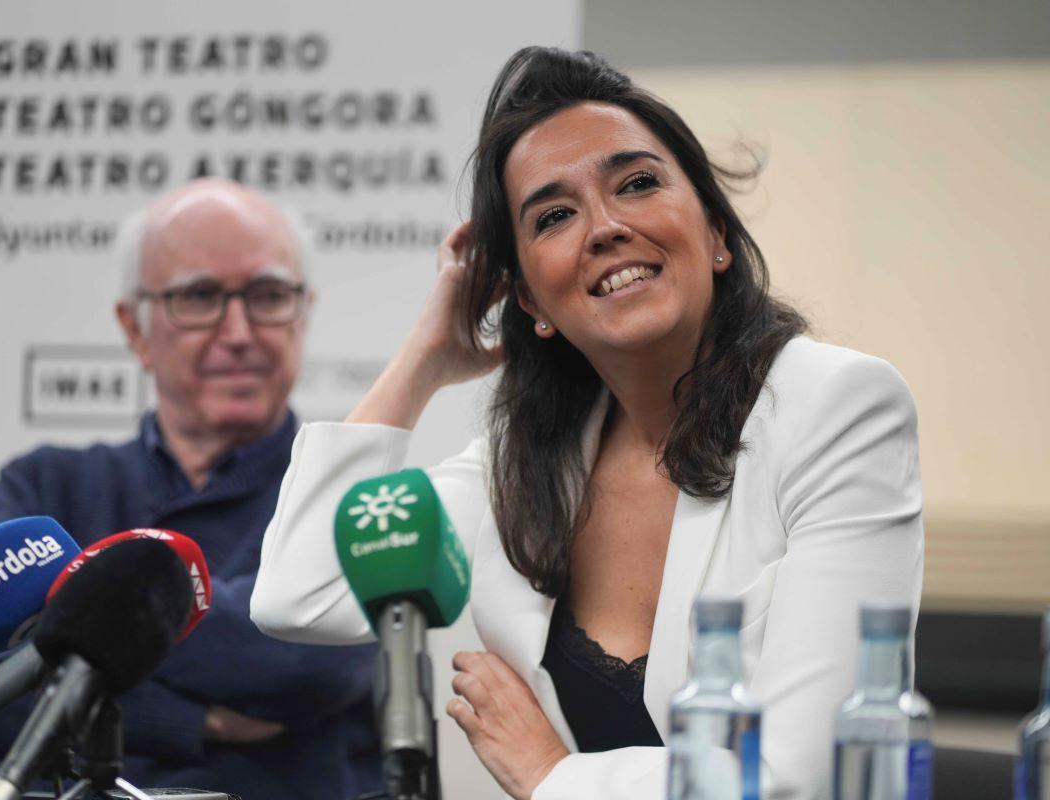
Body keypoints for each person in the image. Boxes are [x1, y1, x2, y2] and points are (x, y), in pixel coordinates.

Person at [250, 48, 923, 800]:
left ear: (717, 235)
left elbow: (807, 774)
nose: (604, 227)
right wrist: (425, 359)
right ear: (530, 303)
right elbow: (300, 593)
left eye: (637, 184)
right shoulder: (526, 461)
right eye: (555, 216)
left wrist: (553, 775)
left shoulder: (838, 406)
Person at [0, 179, 382, 800]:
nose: (239, 331)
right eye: (200, 296)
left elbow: (300, 666)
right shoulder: (44, 485)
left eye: (268, 296)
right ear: (134, 328)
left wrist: (52, 623)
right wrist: (189, 721)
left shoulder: (344, 494)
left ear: (304, 310)